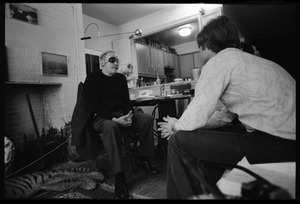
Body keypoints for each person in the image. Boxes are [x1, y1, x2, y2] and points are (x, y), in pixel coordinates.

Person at [158, 15, 295, 199]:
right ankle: (212, 192)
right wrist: (182, 123)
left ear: (206, 45)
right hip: (287, 142)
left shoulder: (218, 62)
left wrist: (175, 125)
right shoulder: (254, 62)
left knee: (178, 141)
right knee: (209, 136)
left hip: (274, 144)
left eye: (199, 47)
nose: (199, 53)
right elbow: (223, 116)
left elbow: (197, 113)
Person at [77, 50, 160, 199]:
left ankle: (143, 156)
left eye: (117, 60)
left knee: (146, 119)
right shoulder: (93, 78)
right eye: (112, 60)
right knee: (111, 126)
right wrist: (114, 119)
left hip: (121, 114)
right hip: (101, 118)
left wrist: (128, 115)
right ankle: (120, 176)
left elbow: (127, 101)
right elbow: (94, 105)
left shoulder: (120, 78)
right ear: (102, 62)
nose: (116, 63)